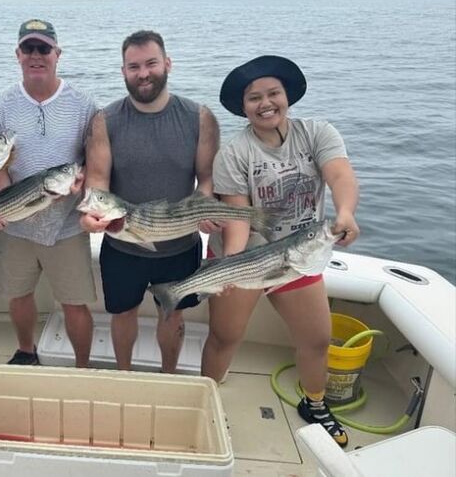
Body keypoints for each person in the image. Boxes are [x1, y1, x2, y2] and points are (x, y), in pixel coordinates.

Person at [202, 55, 360, 447]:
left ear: (287, 96)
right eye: (254, 97)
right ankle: (205, 399)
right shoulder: (234, 153)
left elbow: (339, 174)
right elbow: (237, 216)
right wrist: (231, 269)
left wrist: (344, 213)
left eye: (273, 93)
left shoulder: (317, 133)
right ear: (243, 107)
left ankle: (315, 402)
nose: (265, 102)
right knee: (225, 337)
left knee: (317, 339)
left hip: (301, 256)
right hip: (246, 256)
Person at [80, 30, 221, 373]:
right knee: (122, 313)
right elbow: (97, 180)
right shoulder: (104, 120)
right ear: (123, 71)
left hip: (180, 244)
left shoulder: (200, 118)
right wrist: (92, 216)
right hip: (122, 244)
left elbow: (207, 180)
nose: (143, 73)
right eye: (134, 66)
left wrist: (204, 208)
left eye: (151, 63)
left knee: (172, 315)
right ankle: (125, 374)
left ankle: (168, 374)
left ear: (167, 63)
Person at [0, 19, 98, 367]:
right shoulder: (1, 107)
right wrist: (4, 205)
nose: (36, 56)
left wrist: (85, 189)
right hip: (17, 226)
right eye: (29, 49)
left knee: (75, 303)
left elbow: (95, 161)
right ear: (18, 54)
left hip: (66, 225)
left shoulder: (83, 105)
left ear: (57, 54)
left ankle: (82, 365)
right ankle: (26, 349)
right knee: (18, 295)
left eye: (44, 49)